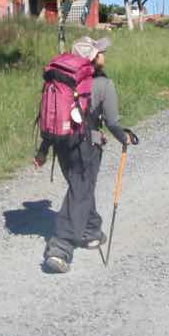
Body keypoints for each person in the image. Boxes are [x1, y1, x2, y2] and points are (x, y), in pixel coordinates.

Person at [42, 36, 131, 273]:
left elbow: (51, 114)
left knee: (80, 187)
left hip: (62, 142)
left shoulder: (62, 81)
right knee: (80, 190)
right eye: (100, 51)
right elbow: (112, 122)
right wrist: (125, 137)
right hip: (87, 146)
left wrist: (42, 150)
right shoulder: (103, 84)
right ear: (93, 58)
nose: (104, 54)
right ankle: (60, 248)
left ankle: (90, 230)